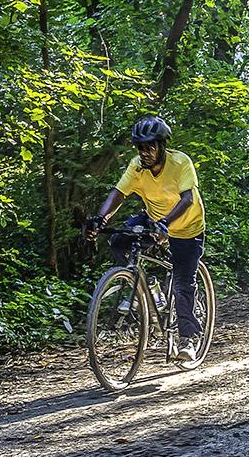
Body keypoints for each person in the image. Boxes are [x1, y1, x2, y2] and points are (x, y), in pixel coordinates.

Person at [85, 116, 207, 361]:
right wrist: (101, 219)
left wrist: (166, 224)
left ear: (161, 146)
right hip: (154, 220)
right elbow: (119, 193)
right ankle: (144, 285)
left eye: (149, 146)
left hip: (186, 227)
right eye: (140, 147)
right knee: (119, 240)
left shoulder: (180, 162)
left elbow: (188, 200)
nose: (144, 152)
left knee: (183, 285)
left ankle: (188, 339)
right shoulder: (137, 167)